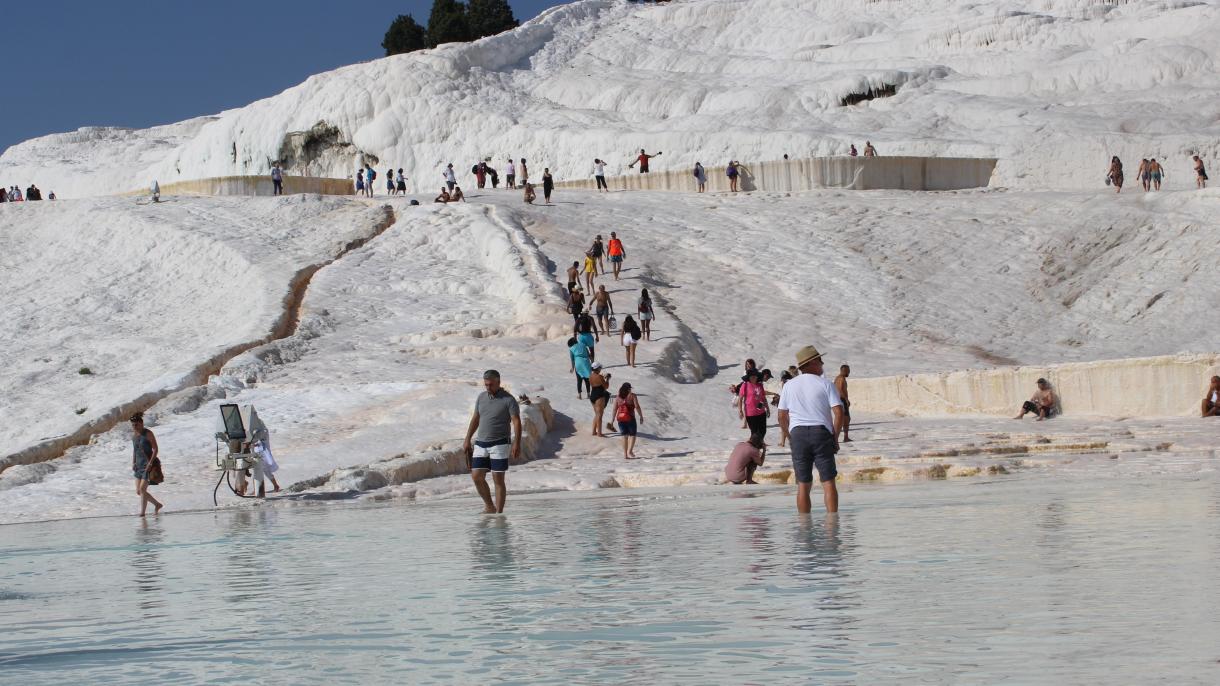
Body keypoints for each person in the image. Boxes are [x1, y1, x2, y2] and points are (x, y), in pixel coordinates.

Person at [778, 345, 844, 514]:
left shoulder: (789, 386)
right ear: (812, 363)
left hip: (798, 434)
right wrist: (835, 437)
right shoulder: (825, 384)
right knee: (828, 482)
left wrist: (790, 437)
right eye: (820, 361)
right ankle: (832, 529)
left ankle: (804, 528)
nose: (822, 364)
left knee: (803, 484)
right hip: (821, 433)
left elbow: (781, 416)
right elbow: (839, 412)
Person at [463, 370, 522, 514]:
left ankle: (499, 514)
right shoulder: (481, 397)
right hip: (481, 442)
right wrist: (467, 438)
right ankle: (489, 506)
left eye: (491, 384)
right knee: (476, 476)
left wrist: (517, 443)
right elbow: (476, 418)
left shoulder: (509, 399)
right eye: (486, 385)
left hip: (500, 443)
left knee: (498, 479)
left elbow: (516, 421)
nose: (488, 387)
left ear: (498, 382)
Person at [130, 412, 164, 516]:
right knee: (139, 491)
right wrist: (133, 462)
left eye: (136, 424)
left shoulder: (148, 433)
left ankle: (142, 513)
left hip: (147, 465)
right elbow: (135, 450)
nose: (134, 427)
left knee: (142, 489)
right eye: (133, 425)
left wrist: (150, 463)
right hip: (138, 466)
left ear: (142, 423)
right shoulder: (134, 436)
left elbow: (155, 449)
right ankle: (157, 504)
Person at [612, 382, 643, 458]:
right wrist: (641, 416)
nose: (630, 390)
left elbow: (614, 409)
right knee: (632, 435)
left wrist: (612, 420)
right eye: (630, 388)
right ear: (628, 389)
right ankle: (630, 451)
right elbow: (637, 406)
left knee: (624, 436)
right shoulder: (632, 396)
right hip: (630, 418)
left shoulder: (618, 397)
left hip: (620, 419)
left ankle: (625, 454)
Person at [738, 369, 770, 438]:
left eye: (755, 376)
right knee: (754, 432)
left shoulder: (760, 385)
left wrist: (767, 408)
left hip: (761, 411)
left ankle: (761, 445)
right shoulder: (745, 385)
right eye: (752, 377)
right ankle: (753, 446)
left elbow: (763, 398)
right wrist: (740, 411)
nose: (754, 378)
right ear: (749, 377)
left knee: (763, 431)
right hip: (750, 413)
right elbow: (740, 399)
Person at [589, 363, 612, 436]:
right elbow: (606, 386)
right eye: (600, 368)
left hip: (592, 395)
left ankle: (593, 431)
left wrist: (603, 377)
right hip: (599, 396)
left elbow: (596, 383)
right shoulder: (599, 377)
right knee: (600, 415)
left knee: (596, 414)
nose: (601, 369)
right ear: (597, 368)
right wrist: (607, 379)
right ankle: (599, 433)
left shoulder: (590, 376)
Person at [834, 364, 852, 442]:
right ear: (844, 370)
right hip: (842, 399)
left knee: (844, 418)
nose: (849, 372)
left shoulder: (837, 378)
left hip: (839, 399)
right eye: (848, 371)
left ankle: (845, 436)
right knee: (846, 418)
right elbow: (840, 389)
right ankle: (845, 437)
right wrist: (846, 399)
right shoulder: (841, 378)